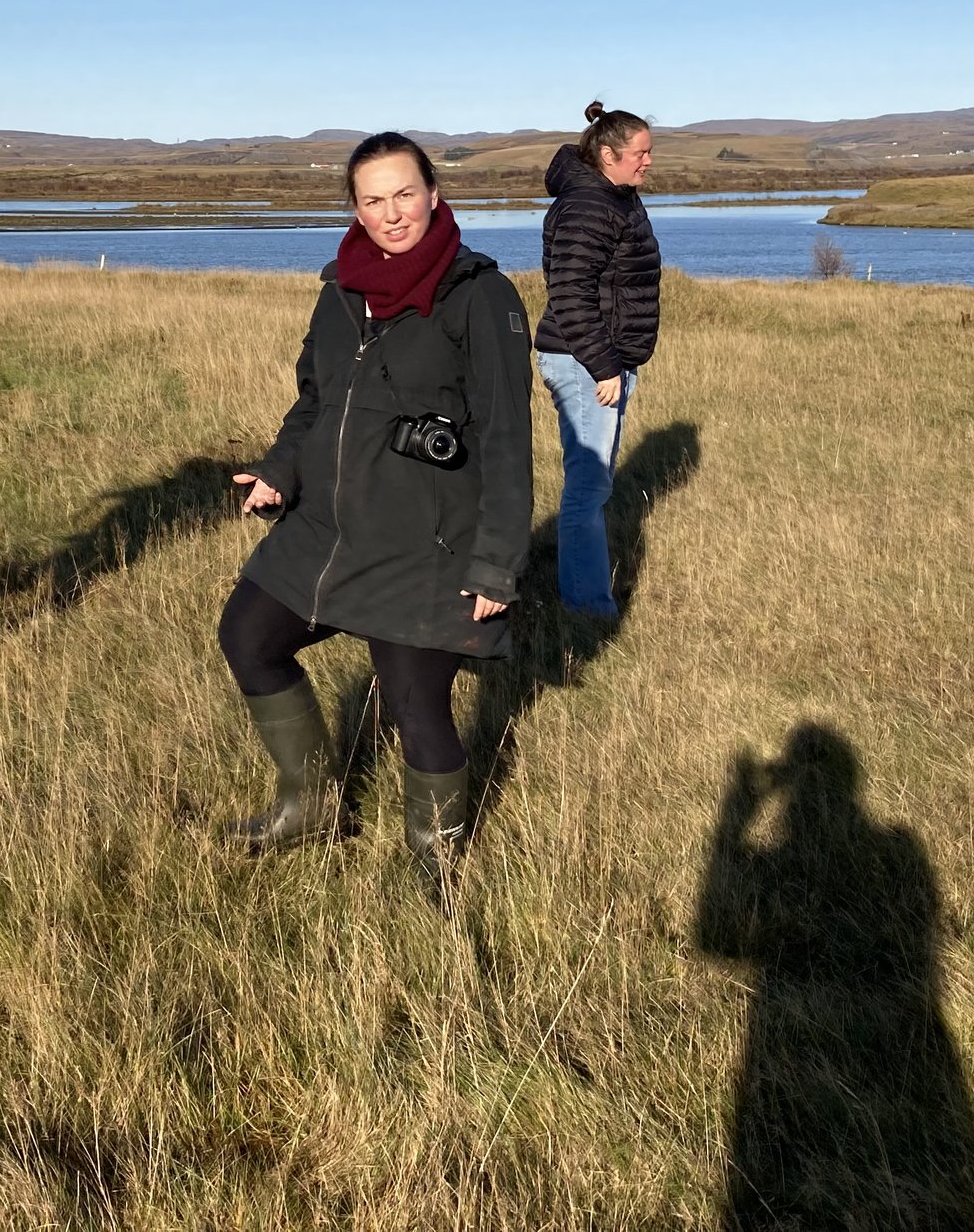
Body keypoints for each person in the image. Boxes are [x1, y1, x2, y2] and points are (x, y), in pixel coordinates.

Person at [219, 132, 535, 910]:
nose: (391, 213)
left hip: (427, 544)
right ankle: (310, 809)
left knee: (413, 703)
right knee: (249, 636)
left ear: (433, 192)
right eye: (372, 198)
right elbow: (314, 400)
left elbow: (504, 437)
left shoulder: (479, 294)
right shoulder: (339, 288)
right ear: (353, 208)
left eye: (404, 193)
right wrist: (278, 470)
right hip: (328, 527)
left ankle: (435, 871)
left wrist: (495, 561)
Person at [533, 100, 660, 622]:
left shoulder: (616, 196)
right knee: (588, 489)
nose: (648, 162)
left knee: (594, 484)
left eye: (650, 152)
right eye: (640, 153)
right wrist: (604, 366)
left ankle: (582, 598)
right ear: (607, 154)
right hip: (584, 363)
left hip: (596, 360)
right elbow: (569, 294)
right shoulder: (590, 205)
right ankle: (587, 610)